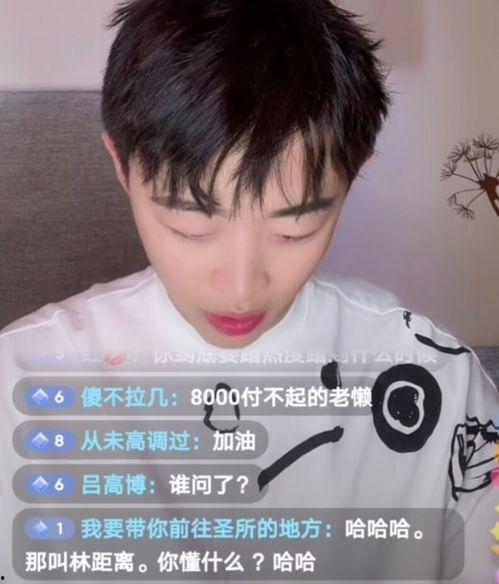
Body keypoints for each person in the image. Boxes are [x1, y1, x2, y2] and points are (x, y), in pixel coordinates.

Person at [0, 1, 497, 582]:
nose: (240, 288)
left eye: (295, 229)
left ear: (352, 174)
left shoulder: (435, 377)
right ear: (122, 165)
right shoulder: (22, 381)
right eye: (190, 225)